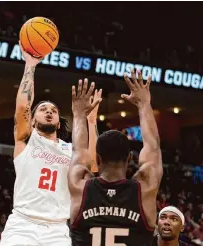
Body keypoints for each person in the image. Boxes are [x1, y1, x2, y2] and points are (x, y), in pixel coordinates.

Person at [0, 42, 100, 246]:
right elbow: (22, 107)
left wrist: (91, 121)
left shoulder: (69, 149)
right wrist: (30, 65)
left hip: (57, 229)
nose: (49, 111)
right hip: (22, 224)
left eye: (53, 110)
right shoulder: (26, 140)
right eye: (43, 109)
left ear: (58, 120)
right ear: (33, 119)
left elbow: (94, 165)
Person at [69, 70, 163, 246]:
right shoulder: (144, 189)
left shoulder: (80, 186)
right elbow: (153, 148)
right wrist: (144, 104)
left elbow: (78, 150)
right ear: (129, 158)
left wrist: (79, 114)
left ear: (97, 159)